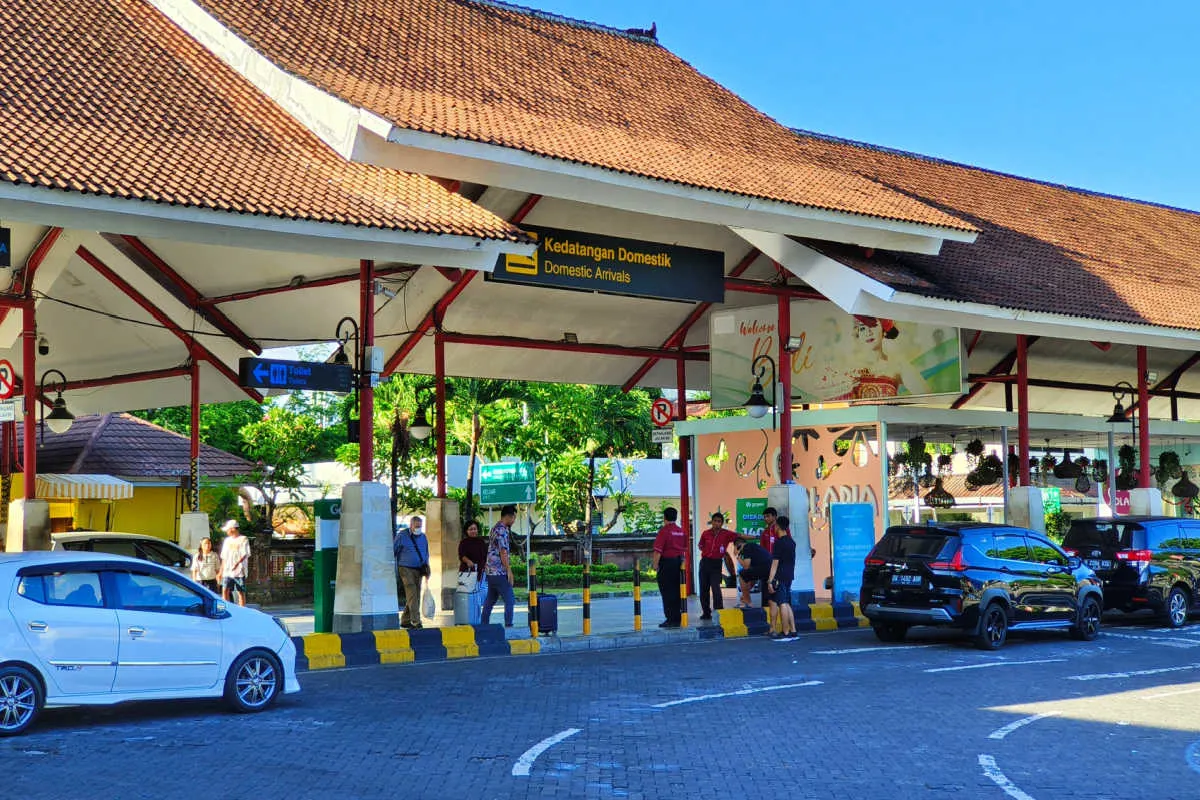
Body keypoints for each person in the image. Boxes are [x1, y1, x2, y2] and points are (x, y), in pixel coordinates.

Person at [652, 506, 687, 628]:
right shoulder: (681, 531)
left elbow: (658, 551)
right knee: (678, 591)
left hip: (667, 564)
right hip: (679, 563)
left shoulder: (664, 531)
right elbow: (684, 550)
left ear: (664, 517)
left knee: (667, 592)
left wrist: (655, 565)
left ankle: (671, 619)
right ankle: (678, 617)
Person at [481, 505, 517, 627]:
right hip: (498, 571)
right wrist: (509, 571)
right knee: (510, 599)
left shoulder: (495, 528)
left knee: (490, 600)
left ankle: (484, 626)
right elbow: (503, 552)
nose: (514, 521)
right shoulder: (501, 530)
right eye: (514, 518)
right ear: (509, 516)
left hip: (490, 571)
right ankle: (509, 626)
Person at [697, 512, 737, 621]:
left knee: (716, 587)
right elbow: (700, 546)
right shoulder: (705, 533)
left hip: (716, 564)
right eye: (715, 521)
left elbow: (739, 536)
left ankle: (719, 610)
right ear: (712, 522)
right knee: (703, 588)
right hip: (705, 563)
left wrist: (756, 536)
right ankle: (706, 613)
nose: (717, 523)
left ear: (722, 523)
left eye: (719, 521)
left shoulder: (726, 534)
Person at [395, 515, 430, 629]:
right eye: (416, 526)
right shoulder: (402, 536)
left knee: (415, 595)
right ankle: (415, 621)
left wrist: (427, 568)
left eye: (420, 526)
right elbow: (394, 550)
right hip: (405, 568)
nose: (418, 529)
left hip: (419, 569)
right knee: (412, 593)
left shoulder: (423, 537)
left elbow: (426, 553)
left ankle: (405, 619)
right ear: (411, 525)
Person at [767, 515, 798, 641]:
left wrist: (770, 581)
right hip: (789, 575)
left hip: (780, 576)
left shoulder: (779, 543)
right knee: (787, 602)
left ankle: (785, 632)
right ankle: (793, 631)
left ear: (778, 526)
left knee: (782, 603)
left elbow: (775, 563)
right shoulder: (791, 542)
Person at [458, 519, 489, 624]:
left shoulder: (481, 542)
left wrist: (485, 566)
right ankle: (467, 620)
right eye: (471, 529)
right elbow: (462, 556)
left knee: (479, 598)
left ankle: (477, 620)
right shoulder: (464, 542)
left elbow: (485, 556)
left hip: (480, 572)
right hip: (468, 573)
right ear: (466, 531)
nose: (473, 531)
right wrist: (468, 561)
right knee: (468, 598)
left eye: (475, 529)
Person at [218, 519, 250, 606]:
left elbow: (244, 554)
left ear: (233, 529)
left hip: (239, 571)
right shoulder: (227, 541)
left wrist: (236, 564)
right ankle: (227, 607)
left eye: (228, 529)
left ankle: (242, 609)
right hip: (227, 570)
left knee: (240, 591)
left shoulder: (243, 539)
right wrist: (221, 571)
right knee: (225, 589)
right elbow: (224, 557)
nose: (227, 532)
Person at [735, 535, 772, 608]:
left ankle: (747, 602)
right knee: (749, 577)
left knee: (741, 574)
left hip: (765, 568)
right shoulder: (753, 547)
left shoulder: (746, 548)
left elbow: (746, 566)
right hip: (770, 569)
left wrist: (738, 557)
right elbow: (752, 577)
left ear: (737, 546)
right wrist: (745, 593)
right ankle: (746, 599)